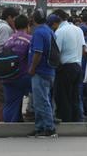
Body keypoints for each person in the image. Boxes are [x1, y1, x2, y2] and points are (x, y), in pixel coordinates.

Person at [27, 9, 57, 138]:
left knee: (41, 101)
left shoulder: (39, 32)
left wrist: (32, 68)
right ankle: (40, 127)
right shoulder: (49, 31)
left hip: (40, 71)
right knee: (41, 100)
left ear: (34, 19)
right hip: (49, 70)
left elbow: (38, 52)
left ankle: (49, 128)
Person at [52, 9, 85, 122]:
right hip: (78, 66)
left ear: (57, 18)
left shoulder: (60, 32)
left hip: (65, 67)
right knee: (75, 97)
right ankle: (77, 120)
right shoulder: (78, 29)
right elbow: (83, 48)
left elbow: (56, 52)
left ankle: (66, 120)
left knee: (63, 97)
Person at [2, 15, 32, 122]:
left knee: (10, 104)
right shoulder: (29, 40)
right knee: (42, 90)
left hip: (7, 77)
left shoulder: (8, 40)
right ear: (28, 26)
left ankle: (10, 127)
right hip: (23, 77)